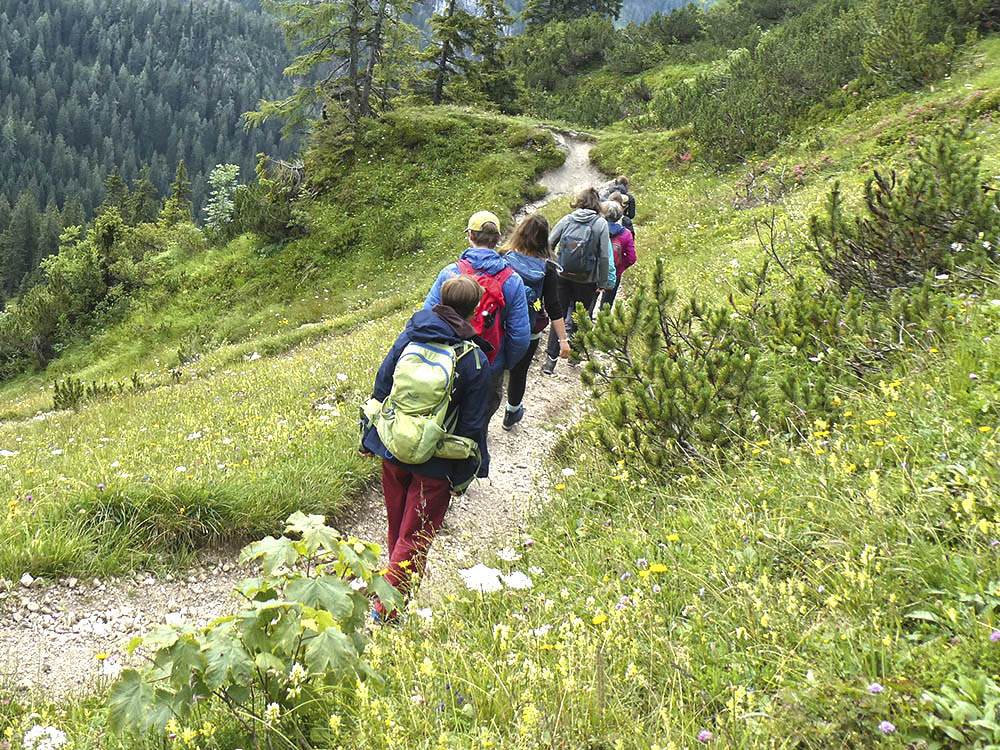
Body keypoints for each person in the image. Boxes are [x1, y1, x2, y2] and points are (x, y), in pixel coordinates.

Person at [361, 275, 491, 621]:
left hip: (393, 447)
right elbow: (472, 425)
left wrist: (368, 437)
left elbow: (382, 385)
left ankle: (393, 586)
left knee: (398, 528)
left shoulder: (409, 337)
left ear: (441, 301)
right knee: (416, 535)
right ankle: (386, 609)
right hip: (436, 461)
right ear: (474, 308)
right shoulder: (474, 358)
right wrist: (462, 475)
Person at [423, 211, 530, 472]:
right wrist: (502, 362)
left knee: (444, 408)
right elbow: (520, 335)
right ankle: (469, 467)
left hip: (448, 359)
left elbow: (428, 315)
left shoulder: (450, 272)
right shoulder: (511, 279)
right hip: (488, 363)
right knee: (478, 417)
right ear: (498, 239)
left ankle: (436, 459)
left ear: (470, 237)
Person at [497, 213, 571, 430]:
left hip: (501, 325)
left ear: (520, 232)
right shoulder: (548, 266)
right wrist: (563, 340)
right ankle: (511, 413)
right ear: (544, 238)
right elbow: (554, 306)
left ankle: (483, 412)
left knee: (495, 369)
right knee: (519, 373)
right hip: (529, 330)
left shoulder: (503, 256)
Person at [541, 187, 615, 375]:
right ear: (597, 204)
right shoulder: (600, 224)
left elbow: (549, 244)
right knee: (580, 318)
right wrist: (602, 282)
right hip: (587, 280)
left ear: (579, 201)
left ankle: (551, 361)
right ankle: (574, 359)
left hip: (562, 277)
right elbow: (605, 256)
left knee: (557, 316)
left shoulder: (567, 219)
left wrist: (552, 267)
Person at [599, 200, 636, 312]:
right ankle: (603, 324)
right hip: (615, 272)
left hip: (596, 271)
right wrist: (619, 267)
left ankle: (585, 324)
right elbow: (632, 258)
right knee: (607, 303)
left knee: (589, 300)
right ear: (620, 215)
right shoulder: (625, 234)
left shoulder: (597, 229)